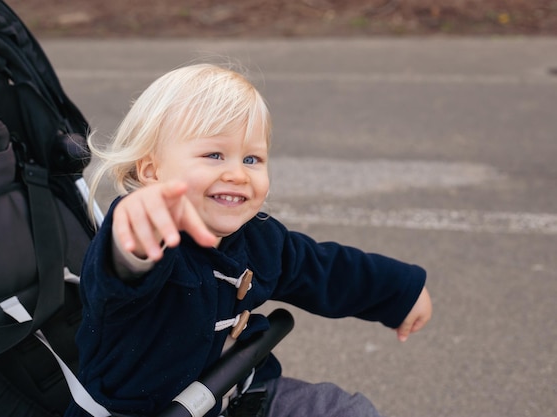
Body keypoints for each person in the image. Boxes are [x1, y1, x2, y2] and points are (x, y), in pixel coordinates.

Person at [65, 62, 432, 417]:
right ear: (151, 171)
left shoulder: (258, 238)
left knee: (348, 411)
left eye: (252, 159)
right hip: (146, 410)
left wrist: (400, 292)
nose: (238, 174)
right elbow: (121, 272)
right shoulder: (146, 236)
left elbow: (322, 268)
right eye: (214, 154)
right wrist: (136, 236)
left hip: (240, 392)